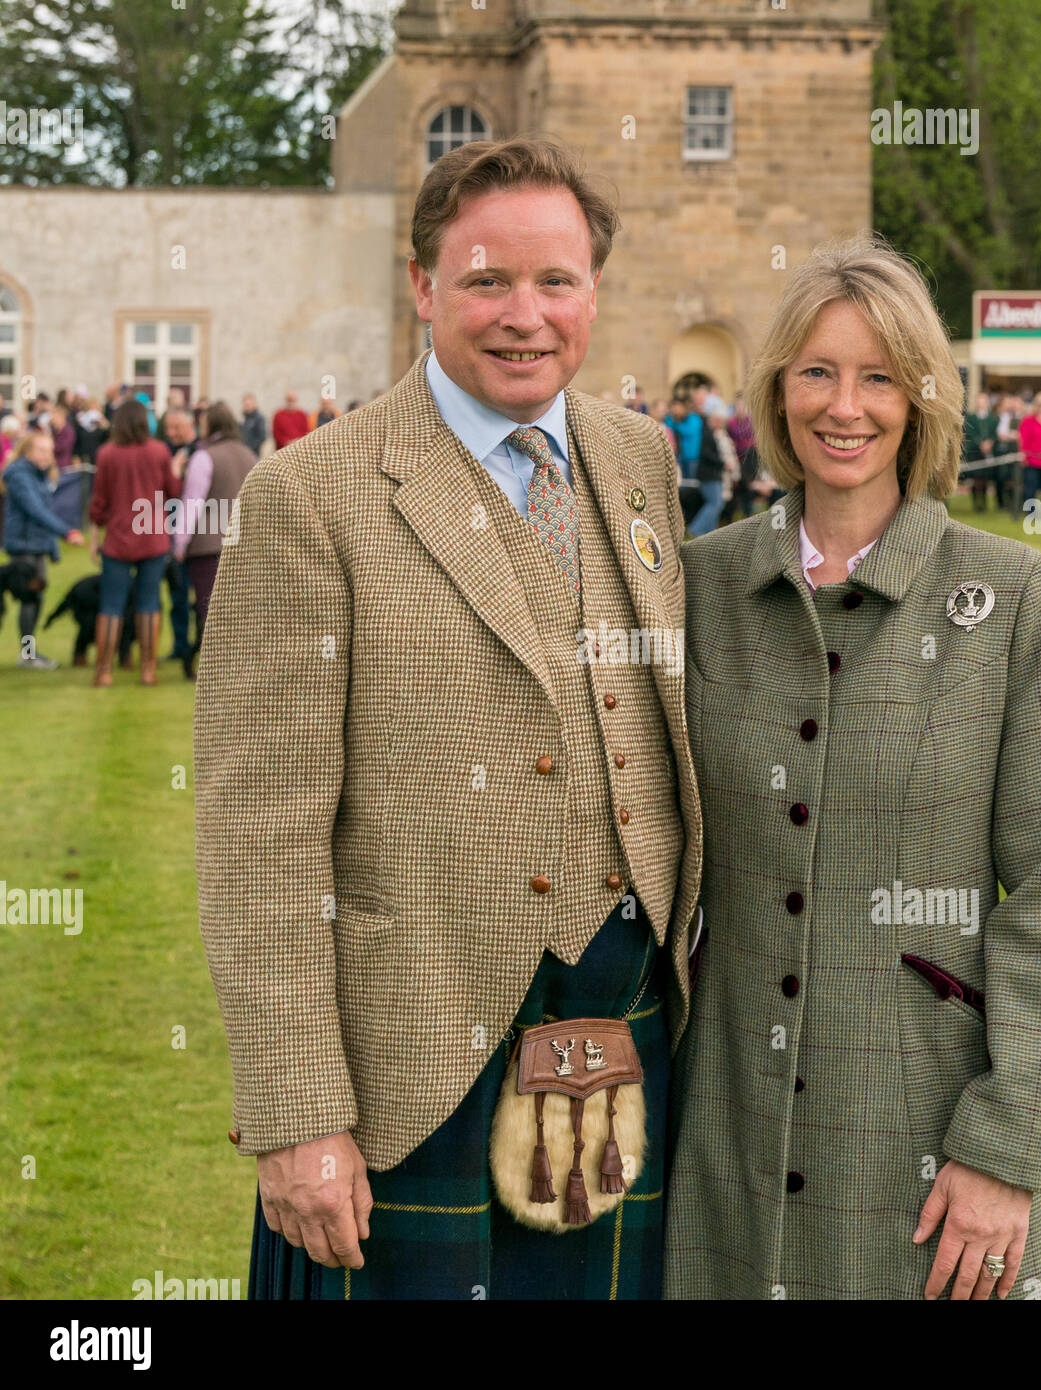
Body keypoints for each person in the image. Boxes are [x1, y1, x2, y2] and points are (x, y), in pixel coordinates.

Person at [194, 135, 701, 1302]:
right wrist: (295, 1113)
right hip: (411, 1064)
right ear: (423, 285)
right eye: (485, 280)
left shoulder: (638, 458)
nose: (524, 315)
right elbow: (257, 839)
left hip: (630, 1022)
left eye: (554, 281)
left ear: (592, 290)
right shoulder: (309, 496)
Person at [664, 233, 1041, 1301]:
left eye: (876, 375)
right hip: (724, 1135)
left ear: (919, 399)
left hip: (927, 1134)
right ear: (775, 390)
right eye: (815, 371)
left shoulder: (1010, 595)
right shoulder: (698, 584)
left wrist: (1005, 1149)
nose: (842, 405)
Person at [88, 398, 178, 686]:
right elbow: (172, 492)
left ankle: (103, 671)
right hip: (152, 536)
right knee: (149, 603)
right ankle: (148, 669)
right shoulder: (159, 451)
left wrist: (94, 536)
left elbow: (98, 502)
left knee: (111, 605)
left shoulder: (106, 454)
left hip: (117, 538)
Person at [173, 401, 257, 675]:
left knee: (208, 609)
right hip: (244, 542)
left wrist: (180, 541)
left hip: (208, 545)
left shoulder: (203, 456)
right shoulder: (250, 455)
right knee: (239, 607)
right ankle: (238, 664)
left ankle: (214, 668)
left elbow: (192, 502)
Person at [1, 430, 85, 667]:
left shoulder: (40, 475)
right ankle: (28, 655)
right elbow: (36, 511)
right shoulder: (19, 476)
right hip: (23, 546)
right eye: (41, 450)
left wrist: (53, 548)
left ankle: (29, 652)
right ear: (27, 451)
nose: (47, 455)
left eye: (49, 451)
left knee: (35, 598)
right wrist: (66, 532)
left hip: (37, 546)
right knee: (30, 599)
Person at [161, 408, 200, 664]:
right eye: (168, 428)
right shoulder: (165, 451)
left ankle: (202, 648)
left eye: (176, 427)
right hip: (170, 531)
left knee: (202, 596)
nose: (171, 433)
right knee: (177, 595)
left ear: (189, 425)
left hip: (200, 534)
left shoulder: (201, 452)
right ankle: (179, 645)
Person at [962, 390, 998, 510]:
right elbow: (969, 433)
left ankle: (984, 502)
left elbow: (995, 433)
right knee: (976, 478)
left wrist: (990, 443)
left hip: (988, 453)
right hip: (975, 452)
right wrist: (980, 443)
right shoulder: (971, 418)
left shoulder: (993, 419)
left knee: (985, 479)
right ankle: (977, 503)